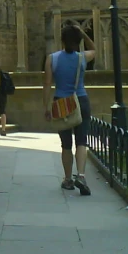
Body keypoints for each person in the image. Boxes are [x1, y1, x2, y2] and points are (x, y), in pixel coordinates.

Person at [42, 25, 96, 196]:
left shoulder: (52, 59)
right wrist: (84, 35)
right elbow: (94, 49)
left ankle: (67, 179)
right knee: (82, 141)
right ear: (78, 41)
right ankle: (81, 175)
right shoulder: (82, 58)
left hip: (61, 102)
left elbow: (47, 84)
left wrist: (47, 107)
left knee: (66, 144)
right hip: (80, 100)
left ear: (62, 40)